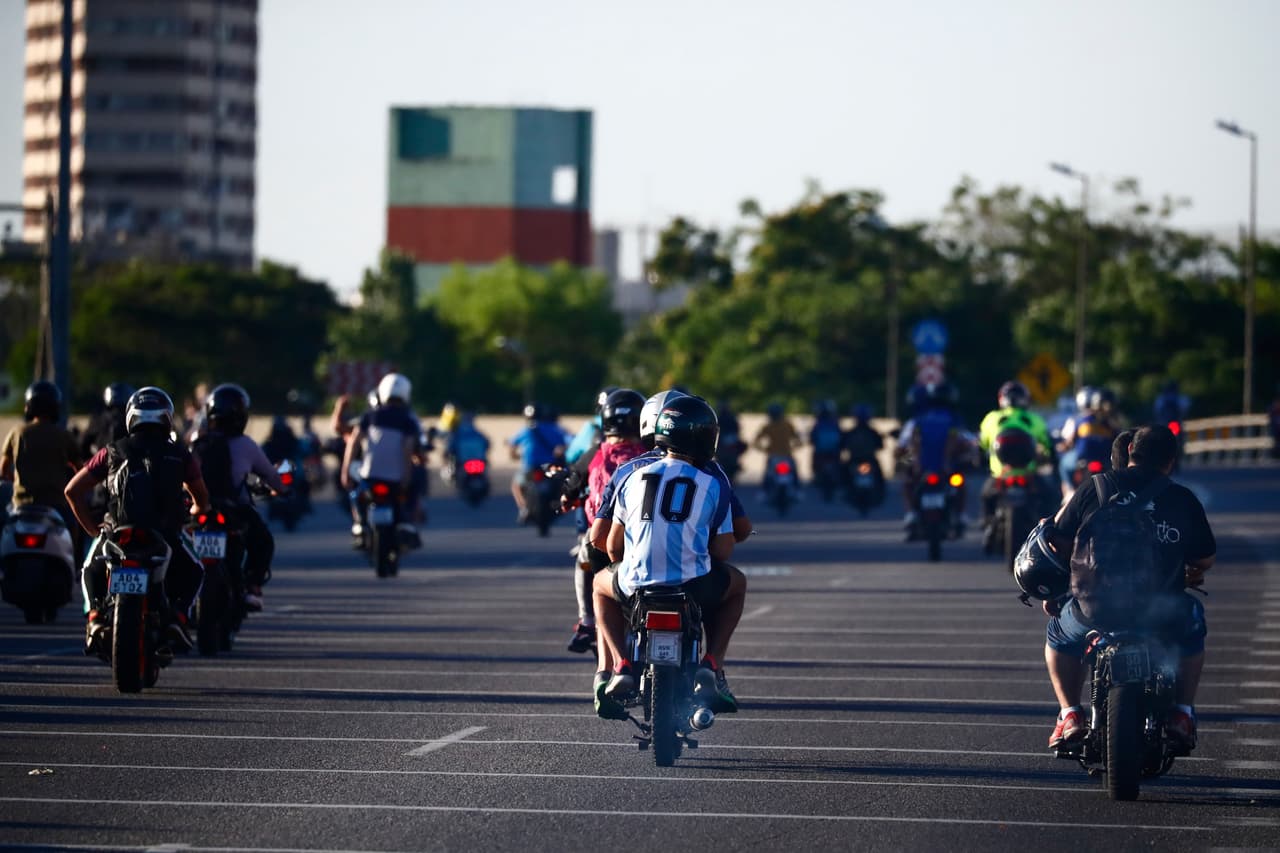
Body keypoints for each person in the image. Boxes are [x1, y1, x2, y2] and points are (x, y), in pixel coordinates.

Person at [1038, 425, 1215, 751]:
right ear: (1171, 461)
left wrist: (1059, 588)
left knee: (1058, 635)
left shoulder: (1096, 487)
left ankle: (1070, 714)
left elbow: (1059, 542)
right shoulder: (1181, 497)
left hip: (1096, 609)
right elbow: (1204, 558)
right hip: (1161, 610)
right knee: (1193, 629)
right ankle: (1182, 713)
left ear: (1129, 451)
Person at [593, 395, 747, 717]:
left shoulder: (630, 476)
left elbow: (610, 546)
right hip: (692, 584)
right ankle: (712, 662)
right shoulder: (711, 481)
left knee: (598, 585)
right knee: (737, 584)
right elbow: (722, 550)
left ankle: (620, 663)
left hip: (636, 584)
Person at [65, 387, 210, 653]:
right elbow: (201, 497)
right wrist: (197, 510)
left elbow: (72, 490)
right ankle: (178, 618)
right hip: (165, 535)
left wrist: (92, 529)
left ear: (132, 417)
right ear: (166, 418)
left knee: (88, 569)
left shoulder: (111, 451)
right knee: (196, 570)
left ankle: (95, 617)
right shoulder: (180, 454)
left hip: (116, 532)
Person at [191, 384, 286, 611]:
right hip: (234, 511)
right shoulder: (246, 445)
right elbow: (273, 477)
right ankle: (252, 586)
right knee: (263, 542)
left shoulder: (197, 443)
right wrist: (281, 489)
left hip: (198, 510)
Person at [566, 389, 647, 654]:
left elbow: (572, 483)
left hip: (601, 540)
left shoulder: (596, 453)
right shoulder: (652, 452)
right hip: (645, 536)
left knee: (585, 560)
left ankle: (587, 621)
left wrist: (563, 500)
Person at [340, 373, 424, 539]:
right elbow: (408, 450)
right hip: (396, 480)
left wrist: (345, 470)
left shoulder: (369, 416)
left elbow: (353, 443)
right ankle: (406, 522)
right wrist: (406, 477)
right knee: (417, 482)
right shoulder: (408, 420)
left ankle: (360, 522)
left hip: (370, 476)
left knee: (355, 494)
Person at [978, 380, 1056, 546]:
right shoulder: (1034, 419)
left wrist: (978, 460)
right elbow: (1048, 445)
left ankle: (987, 526)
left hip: (1001, 474)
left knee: (986, 496)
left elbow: (981, 445)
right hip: (1028, 474)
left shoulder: (992, 419)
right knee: (1050, 497)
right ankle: (1050, 533)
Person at [1, 381, 81, 529]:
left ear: (29, 407)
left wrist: (16, 483)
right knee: (75, 529)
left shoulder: (17, 432)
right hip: (57, 507)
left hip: (20, 505)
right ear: (55, 407)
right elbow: (80, 470)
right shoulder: (64, 436)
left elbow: (3, 470)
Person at [896, 382, 967, 534]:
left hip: (923, 468)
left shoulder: (917, 420)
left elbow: (908, 443)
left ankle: (911, 514)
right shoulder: (953, 419)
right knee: (960, 483)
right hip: (944, 468)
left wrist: (911, 461)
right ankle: (960, 516)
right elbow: (961, 441)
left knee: (908, 482)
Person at [506, 402, 571, 524]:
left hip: (530, 467)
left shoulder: (525, 431)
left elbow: (512, 445)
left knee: (516, 485)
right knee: (563, 485)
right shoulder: (553, 429)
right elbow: (565, 442)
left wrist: (515, 455)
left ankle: (523, 508)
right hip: (549, 467)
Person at [753, 402, 802, 491]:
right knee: (793, 471)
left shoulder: (769, 426)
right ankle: (797, 489)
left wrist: (763, 449)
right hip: (786, 454)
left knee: (768, 473)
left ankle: (765, 490)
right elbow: (798, 440)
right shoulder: (787, 425)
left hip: (775, 455)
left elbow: (756, 442)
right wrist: (795, 447)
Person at [841, 403, 885, 500]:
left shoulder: (855, 432)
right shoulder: (870, 432)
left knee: (879, 475)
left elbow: (880, 445)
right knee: (844, 472)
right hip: (858, 461)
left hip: (865, 461)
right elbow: (880, 446)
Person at [80, 382, 133, 457]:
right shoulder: (131, 419)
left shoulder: (99, 418)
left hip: (102, 463)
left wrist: (93, 462)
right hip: (128, 464)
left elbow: (84, 444)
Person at [809, 399, 843, 500]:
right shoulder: (833, 422)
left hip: (828, 453)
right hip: (828, 453)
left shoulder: (823, 423)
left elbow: (812, 438)